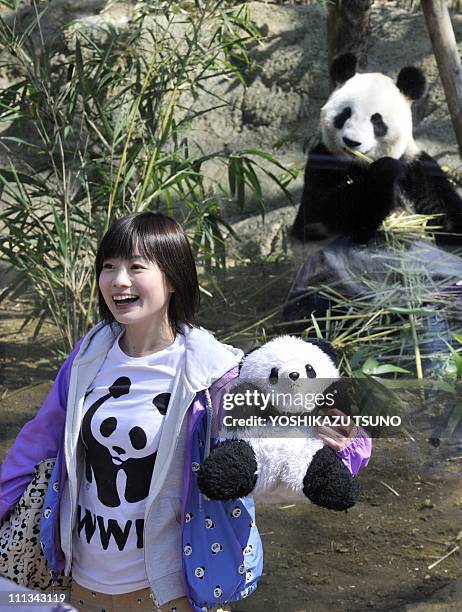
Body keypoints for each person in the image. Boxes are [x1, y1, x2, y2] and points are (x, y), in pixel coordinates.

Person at [0, 212, 371, 612]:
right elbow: (39, 442)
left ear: (173, 279)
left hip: (169, 589)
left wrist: (346, 445)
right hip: (80, 580)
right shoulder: (90, 353)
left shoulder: (215, 373)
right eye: (108, 267)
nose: (118, 280)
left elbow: (290, 447)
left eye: (136, 267)